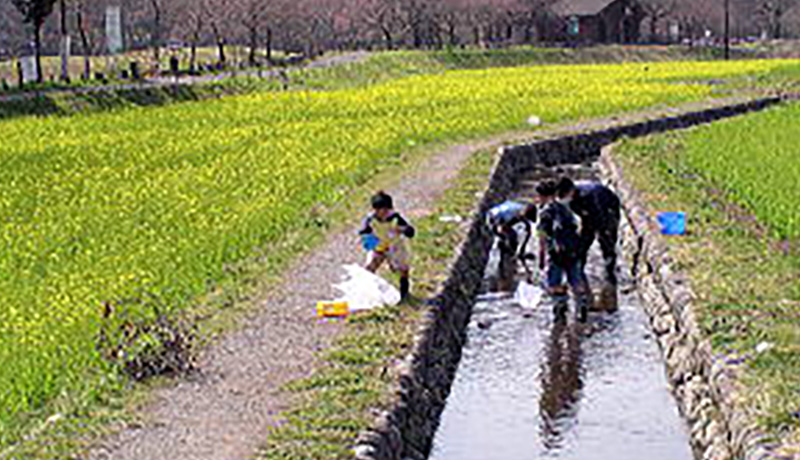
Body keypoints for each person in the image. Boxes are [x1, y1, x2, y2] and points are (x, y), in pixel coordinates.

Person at [537, 180, 590, 322]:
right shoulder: (566, 208)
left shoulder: (544, 213)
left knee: (554, 283)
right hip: (573, 251)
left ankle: (560, 310)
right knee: (576, 281)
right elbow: (578, 226)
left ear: (542, 196)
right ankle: (581, 306)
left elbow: (542, 236)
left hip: (556, 254)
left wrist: (541, 257)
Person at [555, 177, 621, 287]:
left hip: (608, 208)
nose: (563, 198)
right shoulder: (572, 201)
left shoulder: (587, 196)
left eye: (563, 195)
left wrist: (603, 233)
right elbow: (581, 218)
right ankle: (579, 270)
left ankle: (610, 271)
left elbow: (599, 218)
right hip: (590, 214)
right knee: (582, 244)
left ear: (571, 190)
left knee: (607, 241)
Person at [358, 191, 415, 300]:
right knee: (369, 268)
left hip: (395, 246)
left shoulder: (395, 218)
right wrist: (373, 244)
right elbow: (364, 234)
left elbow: (411, 232)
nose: (384, 214)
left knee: (403, 269)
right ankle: (368, 294)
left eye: (386, 210)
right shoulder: (370, 220)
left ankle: (405, 293)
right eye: (381, 211)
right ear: (375, 210)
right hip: (379, 247)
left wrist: (403, 229)